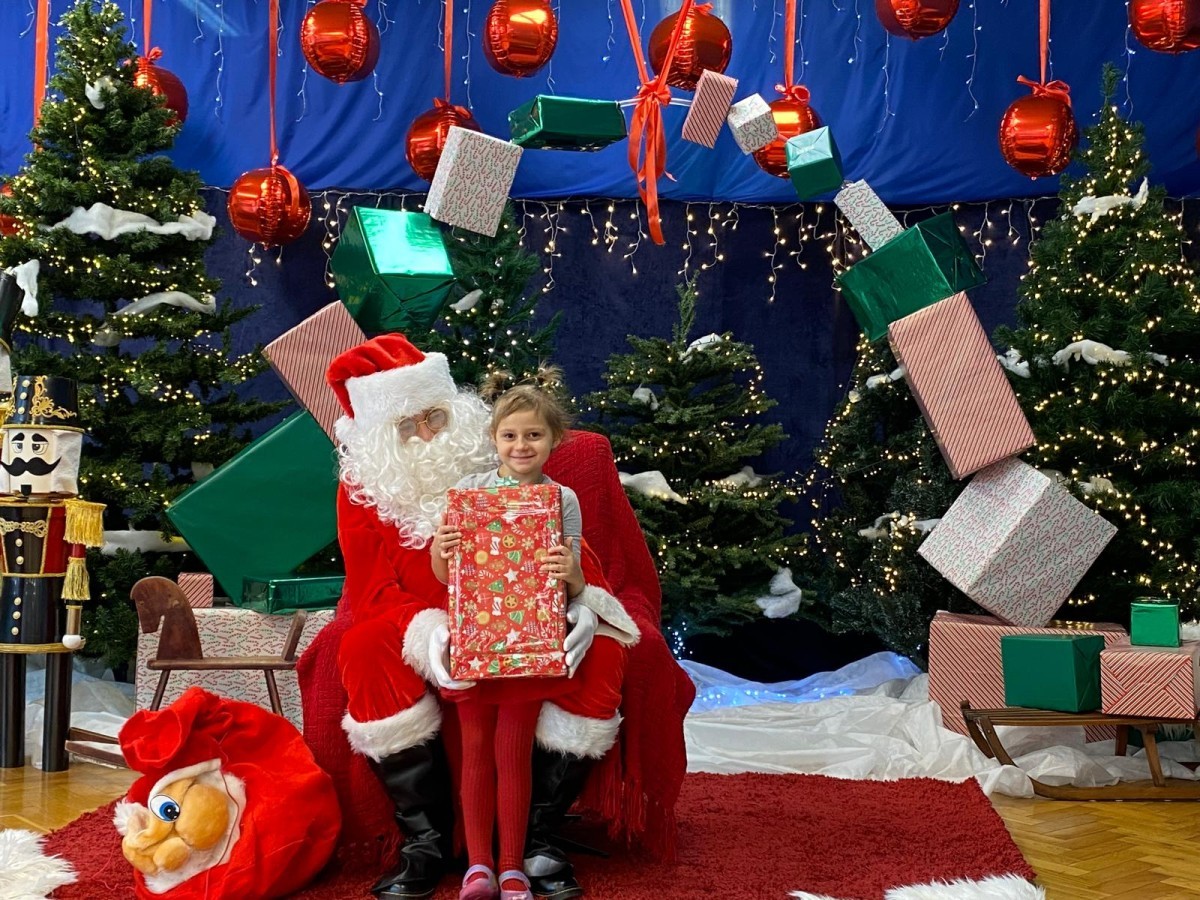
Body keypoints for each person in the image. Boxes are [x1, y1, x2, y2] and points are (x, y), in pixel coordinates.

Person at [324, 334, 639, 900]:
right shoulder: (363, 489)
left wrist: (583, 604)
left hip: (521, 615)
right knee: (362, 648)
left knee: (604, 649)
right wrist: (428, 631)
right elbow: (370, 588)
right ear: (380, 435)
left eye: (435, 417)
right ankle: (426, 843)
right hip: (417, 618)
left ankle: (537, 840)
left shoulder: (493, 461)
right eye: (407, 425)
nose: (427, 434)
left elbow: (569, 549)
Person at [432, 368, 619, 900]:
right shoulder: (469, 493)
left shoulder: (562, 499)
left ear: (554, 439)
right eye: (510, 435)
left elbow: (574, 583)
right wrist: (441, 549)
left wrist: (571, 572)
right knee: (475, 753)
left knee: (513, 754)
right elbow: (445, 576)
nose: (521, 445)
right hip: (475, 639)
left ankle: (512, 867)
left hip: (529, 643)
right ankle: (478, 866)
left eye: (534, 434)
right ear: (494, 439)